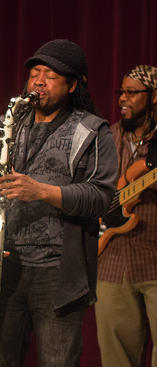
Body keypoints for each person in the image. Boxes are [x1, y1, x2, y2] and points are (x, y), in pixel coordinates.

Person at [0, 39, 118, 366]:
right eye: (35, 72)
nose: (38, 80)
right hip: (4, 266)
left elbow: (101, 198)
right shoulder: (3, 126)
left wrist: (40, 191)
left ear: (72, 85)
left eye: (50, 74)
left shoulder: (92, 131)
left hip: (59, 272)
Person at [95, 64, 157, 367]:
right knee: (116, 358)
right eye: (121, 92)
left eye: (132, 93)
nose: (123, 98)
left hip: (154, 257)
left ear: (154, 96)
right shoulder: (106, 136)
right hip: (110, 262)